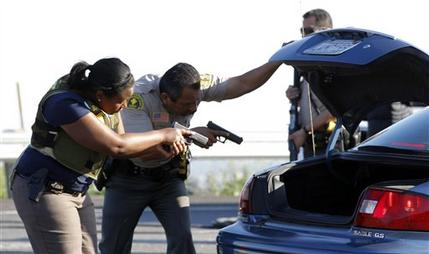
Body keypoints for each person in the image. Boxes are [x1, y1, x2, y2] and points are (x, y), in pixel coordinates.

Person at [10, 57, 192, 254]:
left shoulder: (107, 102)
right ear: (100, 95)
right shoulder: (65, 104)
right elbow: (117, 146)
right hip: (45, 188)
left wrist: (158, 148)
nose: (124, 106)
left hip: (76, 190)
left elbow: (122, 140)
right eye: (120, 101)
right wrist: (165, 133)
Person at [99, 60, 282, 254]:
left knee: (183, 242)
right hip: (129, 180)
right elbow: (144, 153)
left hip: (168, 180)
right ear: (165, 97)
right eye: (187, 104)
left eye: (197, 101)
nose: (194, 108)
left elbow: (242, 84)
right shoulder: (138, 98)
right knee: (114, 247)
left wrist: (278, 61)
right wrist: (192, 134)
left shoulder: (195, 86)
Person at [286, 8, 336, 158]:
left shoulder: (333, 66)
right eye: (302, 30)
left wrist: (305, 130)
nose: (303, 35)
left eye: (308, 31)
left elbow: (334, 110)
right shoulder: (310, 66)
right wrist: (294, 96)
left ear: (324, 31)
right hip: (310, 144)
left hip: (328, 145)